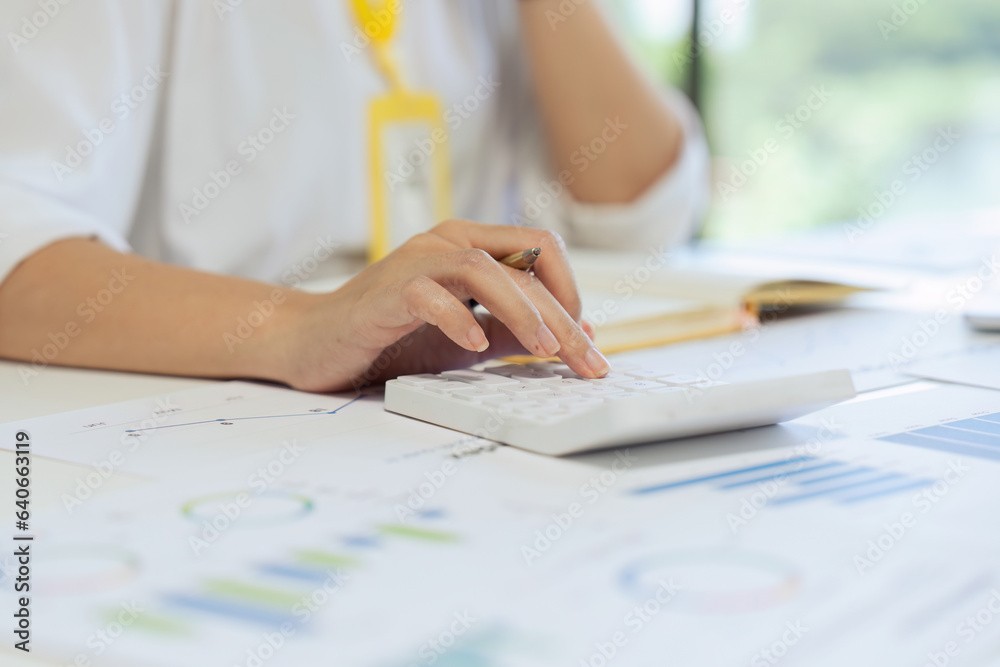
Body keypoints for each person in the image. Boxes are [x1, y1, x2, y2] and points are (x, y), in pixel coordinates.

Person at [0, 0, 709, 392]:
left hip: (442, 417)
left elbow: (642, 216)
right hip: (212, 426)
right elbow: (17, 252)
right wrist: (307, 328)